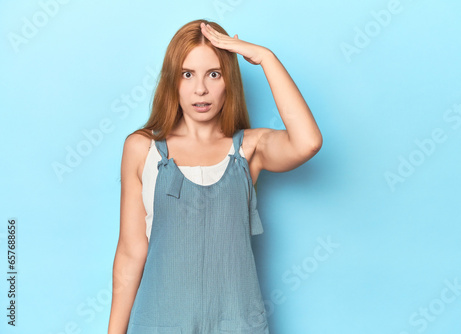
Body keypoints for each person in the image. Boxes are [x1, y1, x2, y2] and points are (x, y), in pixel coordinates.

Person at [107, 19, 322, 334]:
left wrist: (265, 58)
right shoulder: (143, 148)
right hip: (159, 323)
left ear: (228, 81)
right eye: (187, 74)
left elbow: (308, 142)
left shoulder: (250, 148)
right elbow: (130, 251)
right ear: (173, 81)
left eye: (214, 74)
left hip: (238, 324)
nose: (200, 89)